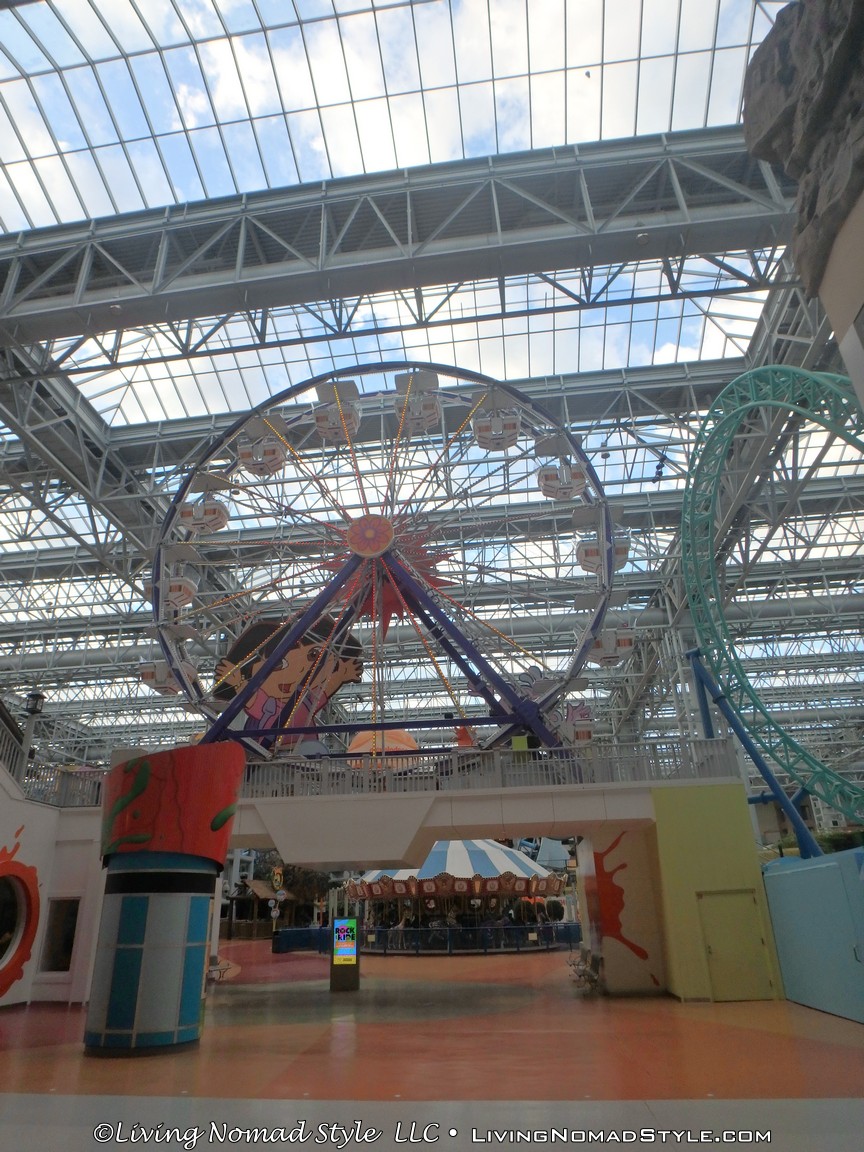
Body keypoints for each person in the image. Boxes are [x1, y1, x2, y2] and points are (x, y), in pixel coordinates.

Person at [215, 614, 363, 747]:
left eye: (313, 655)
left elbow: (325, 690)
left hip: (301, 748)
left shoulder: (307, 699)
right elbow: (253, 700)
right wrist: (238, 684)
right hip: (272, 747)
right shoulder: (271, 704)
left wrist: (341, 675)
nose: (299, 670)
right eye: (279, 664)